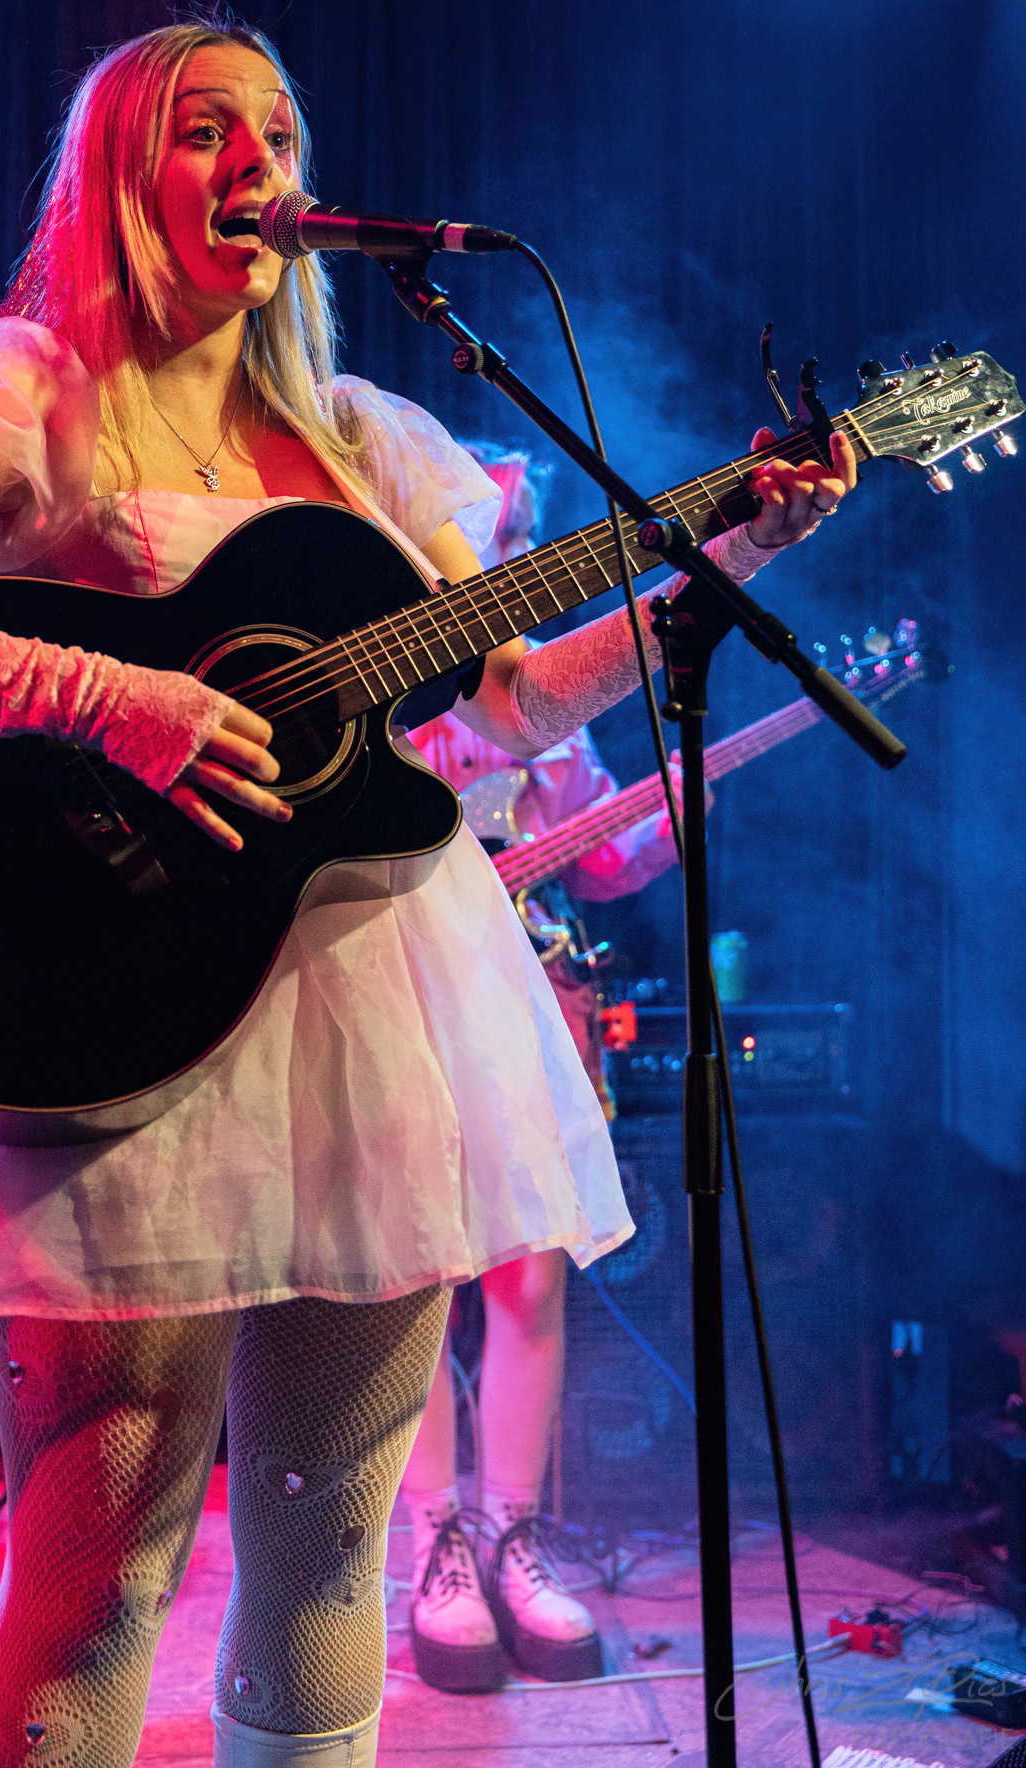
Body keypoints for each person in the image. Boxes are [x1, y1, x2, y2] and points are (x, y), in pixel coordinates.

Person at [0, 16, 856, 1768]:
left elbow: (510, 706)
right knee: (100, 1578)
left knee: (332, 1545)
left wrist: (736, 547)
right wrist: (111, 697)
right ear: (120, 178)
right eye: (205, 129)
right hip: (116, 1003)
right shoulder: (20, 395)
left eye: (275, 130)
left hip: (368, 1015)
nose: (257, 161)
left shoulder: (364, 446)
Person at [402, 449, 681, 1693]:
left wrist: (676, 806)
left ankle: (512, 1532)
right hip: (394, 991)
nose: (494, 561)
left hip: (524, 995)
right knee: (408, 1269)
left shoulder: (536, 699)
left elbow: (602, 855)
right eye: (479, 537)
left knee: (528, 1270)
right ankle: (432, 1544)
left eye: (507, 540)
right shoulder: (383, 675)